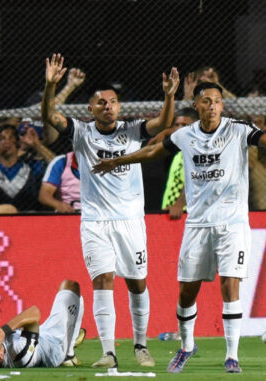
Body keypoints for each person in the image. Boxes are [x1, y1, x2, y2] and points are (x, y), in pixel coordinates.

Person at [91, 82, 266, 374]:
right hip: (198, 224)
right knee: (186, 292)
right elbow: (154, 152)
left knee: (230, 284)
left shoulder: (238, 130)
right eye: (206, 101)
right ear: (197, 106)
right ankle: (187, 346)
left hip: (232, 223)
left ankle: (232, 355)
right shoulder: (186, 135)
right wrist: (119, 160)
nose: (213, 106)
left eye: (217, 101)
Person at [40, 53, 180, 368]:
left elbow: (164, 123)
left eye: (113, 102)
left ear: (119, 106)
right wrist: (50, 86)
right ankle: (108, 352)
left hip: (130, 220)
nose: (108, 106)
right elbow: (49, 116)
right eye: (101, 103)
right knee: (102, 280)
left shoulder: (132, 131)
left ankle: (141, 345)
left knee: (137, 282)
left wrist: (169, 96)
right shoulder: (81, 132)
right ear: (90, 108)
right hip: (95, 221)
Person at [0, 279, 84, 368]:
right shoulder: (21, 355)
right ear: (1, 355)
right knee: (71, 286)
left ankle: (72, 336)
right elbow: (34, 313)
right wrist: (2, 331)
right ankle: (68, 352)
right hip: (52, 345)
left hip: (39, 334)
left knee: (75, 302)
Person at [0, 124, 52, 211]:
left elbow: (59, 166)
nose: (7, 141)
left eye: (11, 138)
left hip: (28, 219)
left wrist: (37, 145)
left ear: (17, 143)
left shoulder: (30, 166)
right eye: (2, 138)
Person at [161, 107, 199, 220]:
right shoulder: (179, 153)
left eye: (184, 125)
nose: (179, 129)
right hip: (172, 214)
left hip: (186, 214)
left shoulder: (197, 150)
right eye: (176, 125)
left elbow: (197, 181)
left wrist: (179, 204)